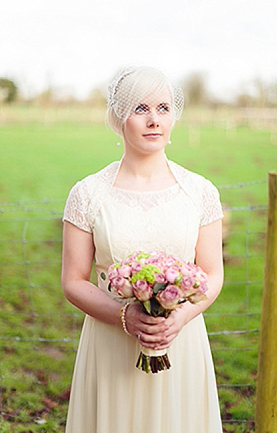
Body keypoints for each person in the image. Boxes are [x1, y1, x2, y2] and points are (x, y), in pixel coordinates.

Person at [61, 66, 223, 432]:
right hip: (110, 343)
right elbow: (73, 281)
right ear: (119, 118)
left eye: (163, 108)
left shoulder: (200, 192)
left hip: (181, 340)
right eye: (140, 108)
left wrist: (179, 317)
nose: (154, 121)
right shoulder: (87, 194)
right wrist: (125, 317)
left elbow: (213, 274)